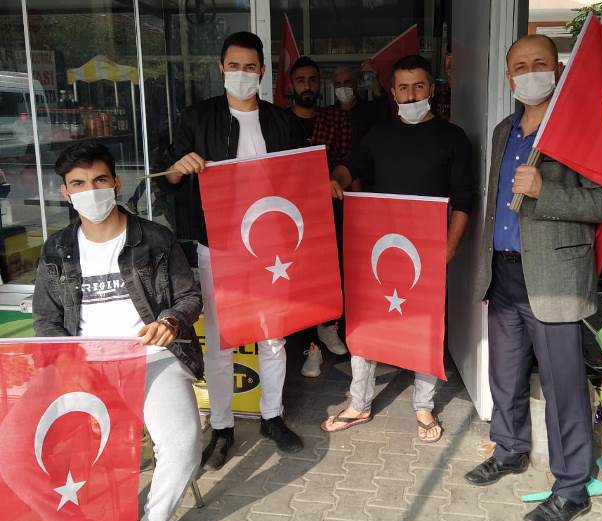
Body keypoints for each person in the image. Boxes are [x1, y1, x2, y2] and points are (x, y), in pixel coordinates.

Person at [28, 141, 203, 521]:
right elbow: (46, 320)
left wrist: (170, 321)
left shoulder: (154, 238)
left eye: (99, 180)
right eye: (79, 184)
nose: (91, 192)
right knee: (16, 447)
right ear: (65, 193)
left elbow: (189, 296)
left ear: (116, 184)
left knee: (183, 445)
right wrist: (66, 362)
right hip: (84, 368)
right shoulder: (57, 249)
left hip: (151, 359)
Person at [464, 35, 602, 521]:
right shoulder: (503, 130)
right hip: (504, 272)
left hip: (555, 279)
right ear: (509, 76)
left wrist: (544, 191)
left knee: (563, 387)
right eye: (519, 66)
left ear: (557, 70)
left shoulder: (577, 129)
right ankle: (509, 449)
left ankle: (571, 487)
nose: (529, 73)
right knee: (505, 375)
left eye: (539, 63)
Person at [160, 31, 305, 468]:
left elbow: (299, 181)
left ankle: (272, 416)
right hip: (219, 244)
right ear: (221, 68)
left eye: (250, 66)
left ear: (262, 71)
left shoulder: (282, 122)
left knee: (273, 336)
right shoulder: (196, 118)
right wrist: (178, 168)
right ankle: (222, 427)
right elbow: (169, 176)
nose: (242, 73)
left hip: (272, 247)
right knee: (222, 341)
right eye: (234, 65)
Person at [323, 54, 473, 443]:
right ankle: (359, 402)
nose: (411, 95)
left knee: (427, 325)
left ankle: (424, 405)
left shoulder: (453, 137)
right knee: (366, 321)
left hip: (428, 250)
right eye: (403, 88)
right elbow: (349, 167)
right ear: (392, 93)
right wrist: (335, 178)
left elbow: (464, 201)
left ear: (432, 89)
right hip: (379, 246)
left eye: (418, 86)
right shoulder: (379, 134)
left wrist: (450, 247)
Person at [285, 55, 349, 378]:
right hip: (291, 213)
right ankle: (311, 348)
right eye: (301, 80)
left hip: (329, 210)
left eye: (312, 80)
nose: (307, 86)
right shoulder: (280, 122)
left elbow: (346, 159)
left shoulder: (334, 118)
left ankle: (327, 327)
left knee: (329, 273)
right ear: (291, 85)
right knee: (299, 279)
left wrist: (333, 178)